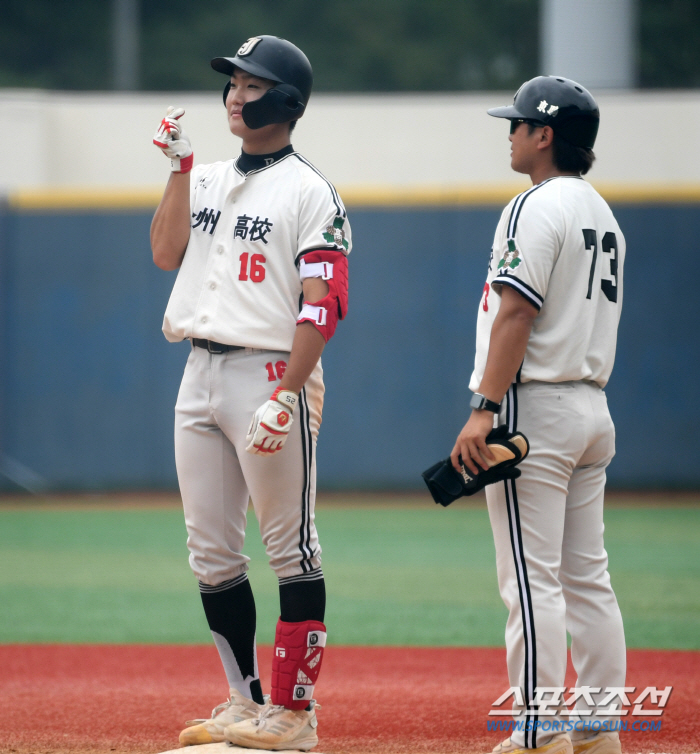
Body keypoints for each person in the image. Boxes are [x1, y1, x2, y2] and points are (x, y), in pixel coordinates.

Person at [150, 35, 351, 751]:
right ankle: (245, 702)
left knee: (291, 548)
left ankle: (295, 716)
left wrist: (288, 393)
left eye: (252, 82)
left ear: (288, 100)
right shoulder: (204, 178)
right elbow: (166, 253)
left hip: (271, 373)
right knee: (210, 552)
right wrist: (177, 168)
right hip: (199, 369)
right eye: (232, 82)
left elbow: (324, 304)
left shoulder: (309, 190)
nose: (236, 93)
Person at [451, 76, 626, 754]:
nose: (511, 132)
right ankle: (598, 728)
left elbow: (516, 312)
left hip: (536, 411)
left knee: (530, 580)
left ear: (545, 135)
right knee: (588, 578)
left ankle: (538, 732)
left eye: (519, 123)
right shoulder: (604, 214)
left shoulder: (534, 205)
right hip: (592, 410)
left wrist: (483, 408)